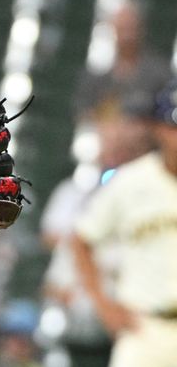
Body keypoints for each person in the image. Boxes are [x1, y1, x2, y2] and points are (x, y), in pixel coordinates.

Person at [72, 80, 177, 367]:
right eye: (172, 127)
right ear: (157, 128)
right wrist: (104, 304)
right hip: (145, 329)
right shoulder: (131, 181)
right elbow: (81, 240)